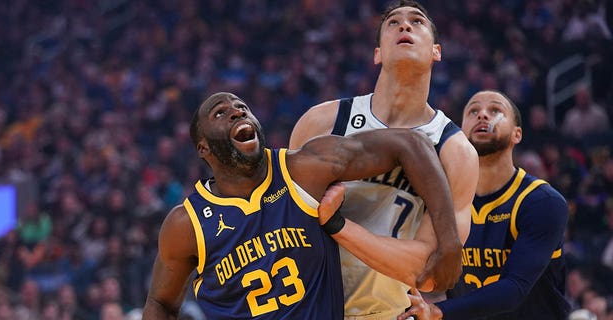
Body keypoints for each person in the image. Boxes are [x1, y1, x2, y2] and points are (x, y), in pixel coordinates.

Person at [142, 92, 459, 319]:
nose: (237, 112)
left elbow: (411, 144)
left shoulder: (302, 169)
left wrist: (449, 241)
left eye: (242, 107)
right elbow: (160, 303)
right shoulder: (187, 223)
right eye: (220, 113)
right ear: (203, 147)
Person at [289, 0, 478, 317]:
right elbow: (285, 224)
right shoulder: (322, 121)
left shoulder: (455, 151)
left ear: (436, 51)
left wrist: (339, 226)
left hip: (385, 312)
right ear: (377, 53)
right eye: (393, 22)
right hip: (309, 306)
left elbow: (431, 271)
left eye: (417, 22)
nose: (405, 26)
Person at [398, 90, 571, 320]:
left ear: (517, 134)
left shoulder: (541, 201)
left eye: (495, 110)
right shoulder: (442, 199)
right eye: (473, 111)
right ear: (459, 132)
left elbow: (514, 289)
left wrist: (437, 311)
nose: (482, 115)